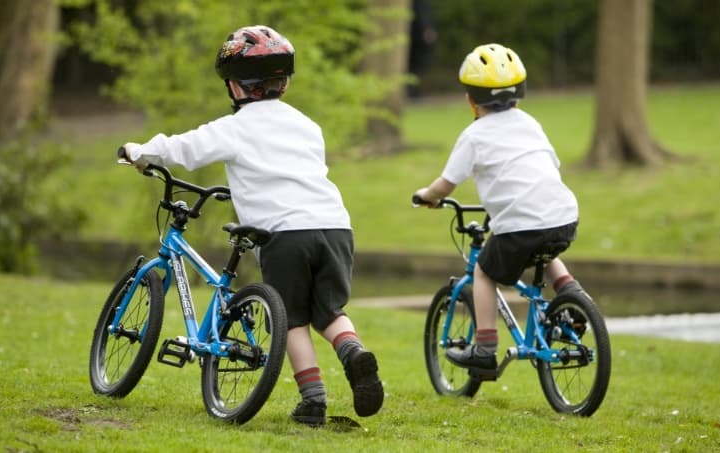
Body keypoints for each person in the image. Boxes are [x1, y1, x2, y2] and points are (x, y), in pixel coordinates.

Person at [121, 25, 383, 425]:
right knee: (329, 311)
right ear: (284, 82)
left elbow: (183, 149)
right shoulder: (308, 126)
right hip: (335, 227)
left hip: (284, 233)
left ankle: (313, 399)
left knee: (291, 318)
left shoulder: (234, 127)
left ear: (237, 87)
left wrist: (140, 152)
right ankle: (354, 352)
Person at [413, 43, 592, 378]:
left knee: (483, 273)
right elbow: (551, 163)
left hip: (520, 225)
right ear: (518, 98)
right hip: (563, 215)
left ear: (470, 100)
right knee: (543, 248)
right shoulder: (530, 123)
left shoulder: (474, 135)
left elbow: (446, 184)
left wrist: (427, 196)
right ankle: (574, 296)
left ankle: (484, 349)